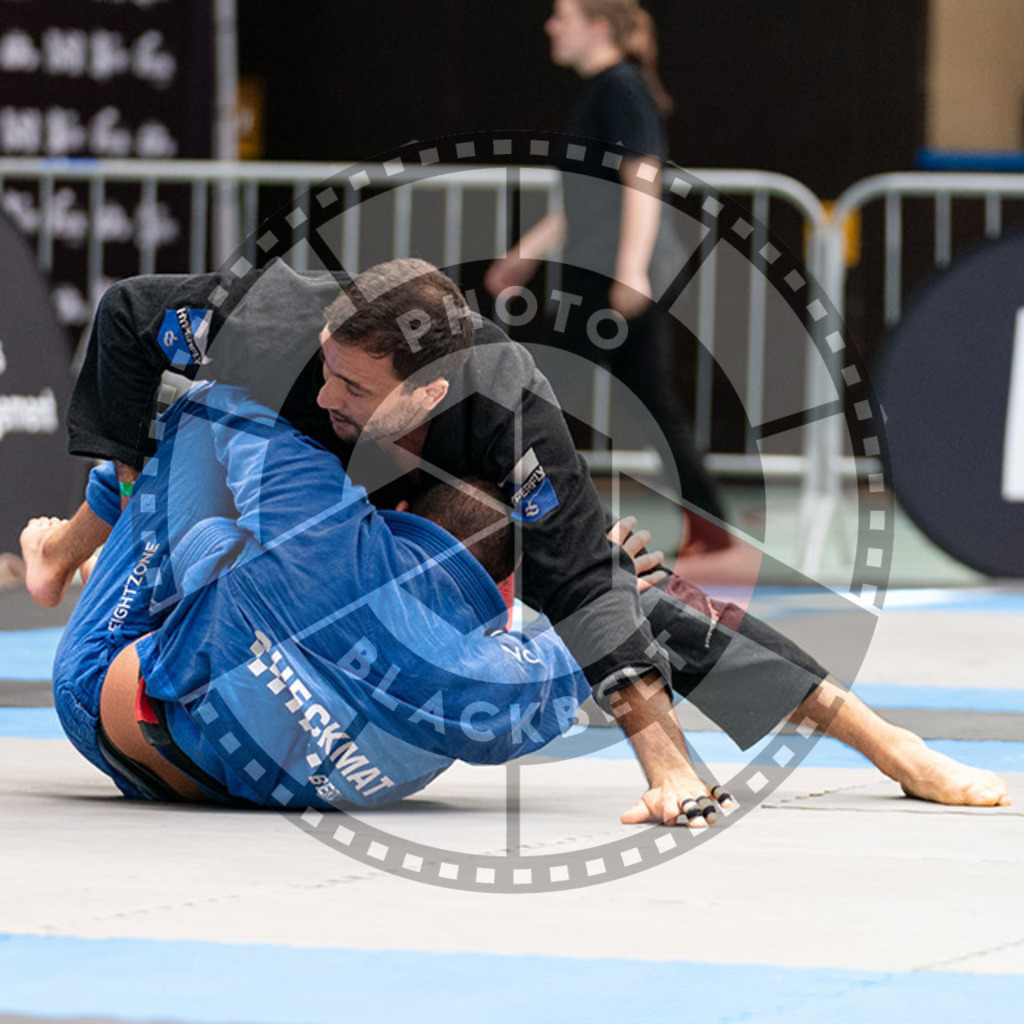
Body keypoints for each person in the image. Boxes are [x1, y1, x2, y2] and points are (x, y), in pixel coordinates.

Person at [25, 260, 1011, 817]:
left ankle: (884, 735)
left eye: (353, 387)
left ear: (426, 392)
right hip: (223, 577)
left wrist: (668, 762)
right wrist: (87, 527)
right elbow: (123, 314)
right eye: (327, 371)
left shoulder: (510, 429)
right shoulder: (279, 336)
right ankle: (66, 548)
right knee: (195, 432)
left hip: (269, 615)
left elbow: (591, 593)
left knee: (599, 590)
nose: (328, 394)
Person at [484, 0, 730, 555]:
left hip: (607, 277)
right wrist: (527, 253)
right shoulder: (605, 90)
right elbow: (590, 197)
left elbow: (643, 178)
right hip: (598, 271)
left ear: (597, 27)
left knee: (545, 397)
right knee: (650, 402)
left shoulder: (621, 88)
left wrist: (630, 268)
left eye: (561, 16)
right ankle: (713, 527)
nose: (550, 25)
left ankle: (531, 526)